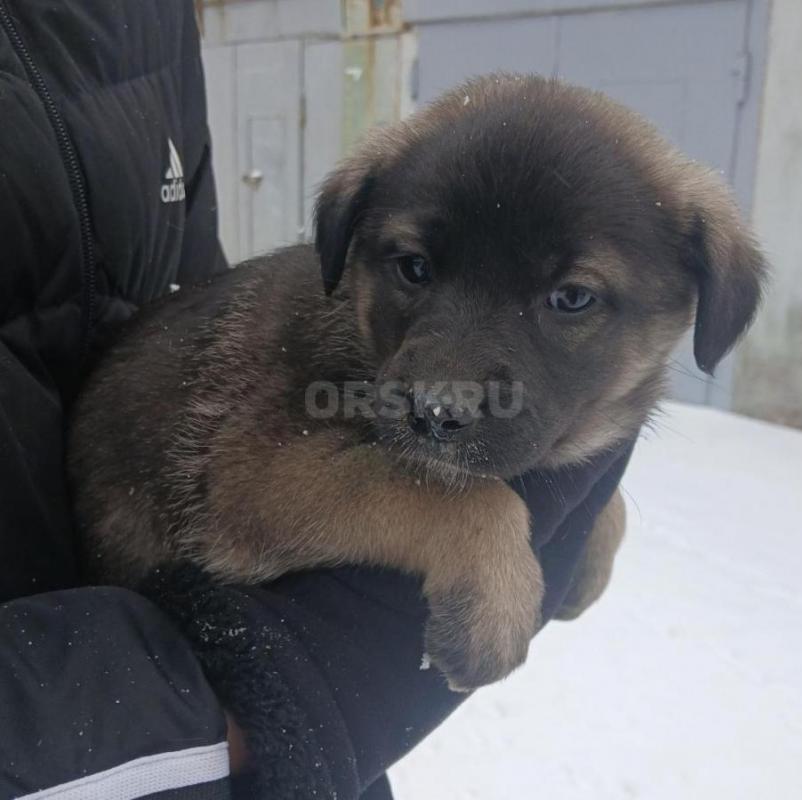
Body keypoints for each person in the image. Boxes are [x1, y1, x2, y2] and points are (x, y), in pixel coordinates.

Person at [0, 1, 633, 798]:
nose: (446, 389)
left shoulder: (141, 13)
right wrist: (456, 529)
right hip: (117, 689)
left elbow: (184, 278)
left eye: (571, 298)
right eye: (414, 268)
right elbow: (243, 490)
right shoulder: (333, 318)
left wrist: (593, 501)